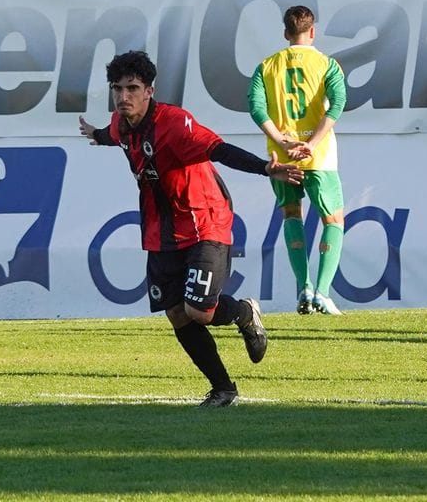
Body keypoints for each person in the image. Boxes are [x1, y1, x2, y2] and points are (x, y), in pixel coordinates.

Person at [78, 50, 303, 407]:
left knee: (199, 309)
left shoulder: (175, 123)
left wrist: (265, 168)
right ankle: (223, 389)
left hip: (204, 220)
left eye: (132, 88)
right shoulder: (121, 123)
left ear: (150, 90)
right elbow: (113, 134)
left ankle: (245, 312)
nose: (123, 97)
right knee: (177, 313)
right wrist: (97, 134)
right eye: (117, 89)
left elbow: (219, 149)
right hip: (160, 229)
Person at [247, 5, 347, 315]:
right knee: (333, 219)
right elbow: (338, 104)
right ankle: (323, 292)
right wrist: (312, 143)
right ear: (312, 31)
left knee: (292, 215)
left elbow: (256, 108)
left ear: (285, 33)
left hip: (282, 156)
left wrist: (281, 140)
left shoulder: (267, 66)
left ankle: (303, 287)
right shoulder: (327, 64)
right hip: (319, 156)